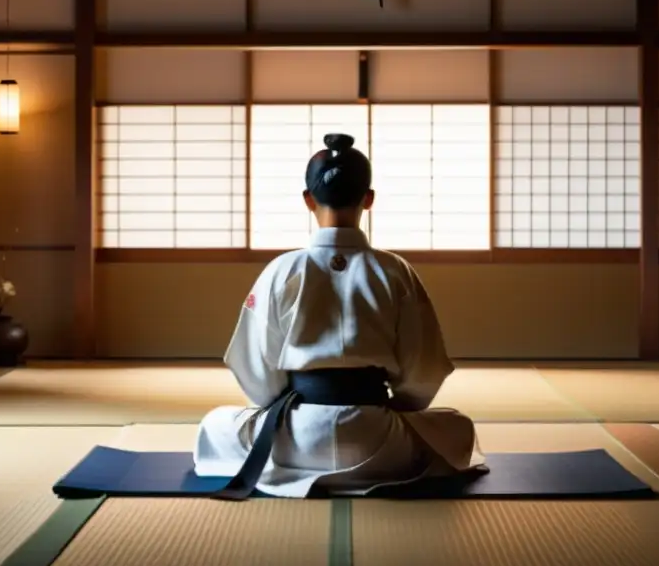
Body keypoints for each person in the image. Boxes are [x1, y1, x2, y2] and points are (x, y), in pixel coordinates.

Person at [193, 133, 485, 499]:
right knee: (457, 426)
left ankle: (295, 470)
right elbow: (421, 373)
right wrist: (397, 408)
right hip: (378, 444)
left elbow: (256, 371)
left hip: (294, 440)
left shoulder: (281, 269)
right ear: (369, 198)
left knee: (214, 425)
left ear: (307, 199)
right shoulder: (395, 271)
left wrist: (282, 405)